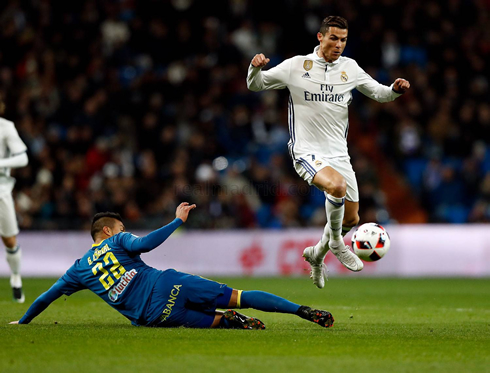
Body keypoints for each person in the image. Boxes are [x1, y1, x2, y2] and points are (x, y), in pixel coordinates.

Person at [247, 16, 410, 289]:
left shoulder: (350, 68)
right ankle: (335, 243)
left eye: (343, 40)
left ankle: (316, 254)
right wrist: (254, 69)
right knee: (336, 187)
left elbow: (379, 93)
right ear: (320, 37)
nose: (339, 45)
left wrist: (394, 90)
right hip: (306, 151)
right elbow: (257, 85)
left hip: (339, 154)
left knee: (352, 218)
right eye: (333, 38)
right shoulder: (296, 66)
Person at [9, 203, 334, 329]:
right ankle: (300, 311)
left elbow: (45, 298)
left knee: (217, 322)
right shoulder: (116, 242)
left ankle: (230, 322)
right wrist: (176, 220)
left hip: (151, 317)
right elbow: (145, 245)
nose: (125, 233)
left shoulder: (77, 269)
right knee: (241, 295)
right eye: (121, 228)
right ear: (107, 231)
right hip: (167, 284)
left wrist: (23, 323)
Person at [0, 99, 28, 303]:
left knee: (9, 239)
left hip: (1, 187)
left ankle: (16, 277)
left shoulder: (6, 127)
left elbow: (22, 158)